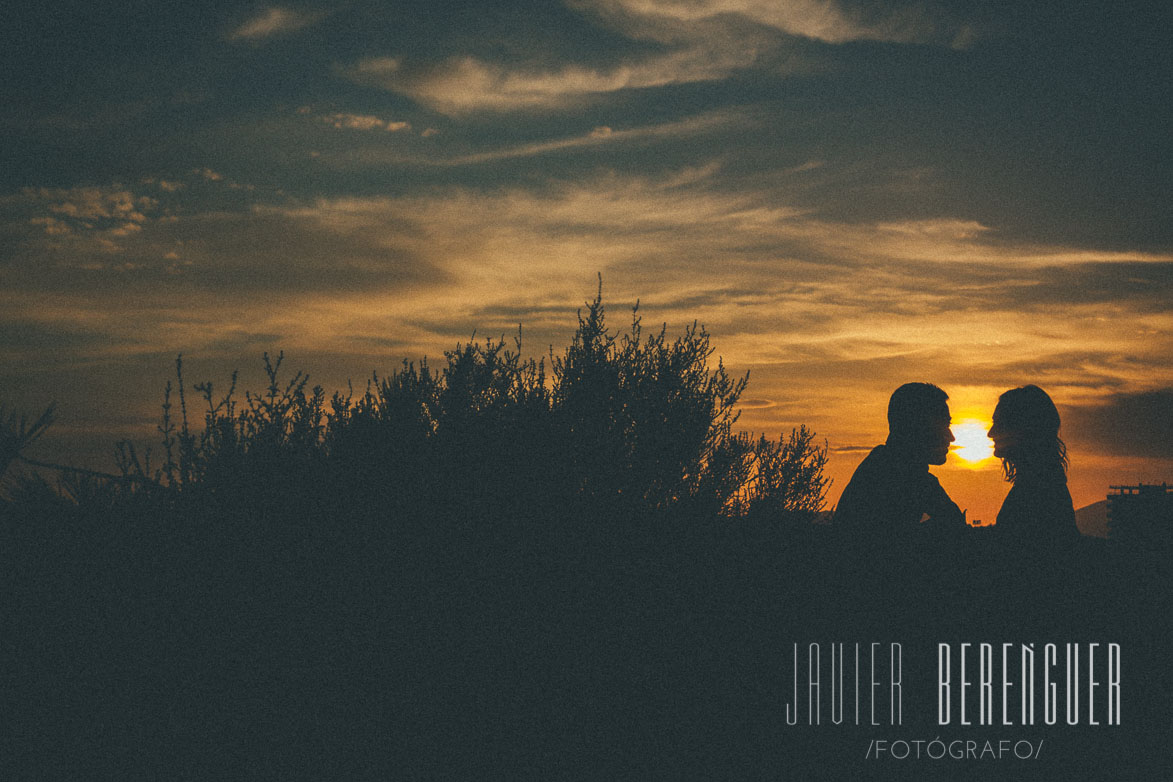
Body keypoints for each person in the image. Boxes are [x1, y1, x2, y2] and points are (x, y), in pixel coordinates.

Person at [834, 382, 966, 539]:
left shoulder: (887, 468)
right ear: (917, 427)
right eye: (943, 426)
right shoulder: (897, 478)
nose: (951, 437)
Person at [987, 385, 1079, 542]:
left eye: (999, 424)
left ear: (1024, 429)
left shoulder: (1038, 490)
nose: (991, 433)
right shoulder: (1046, 482)